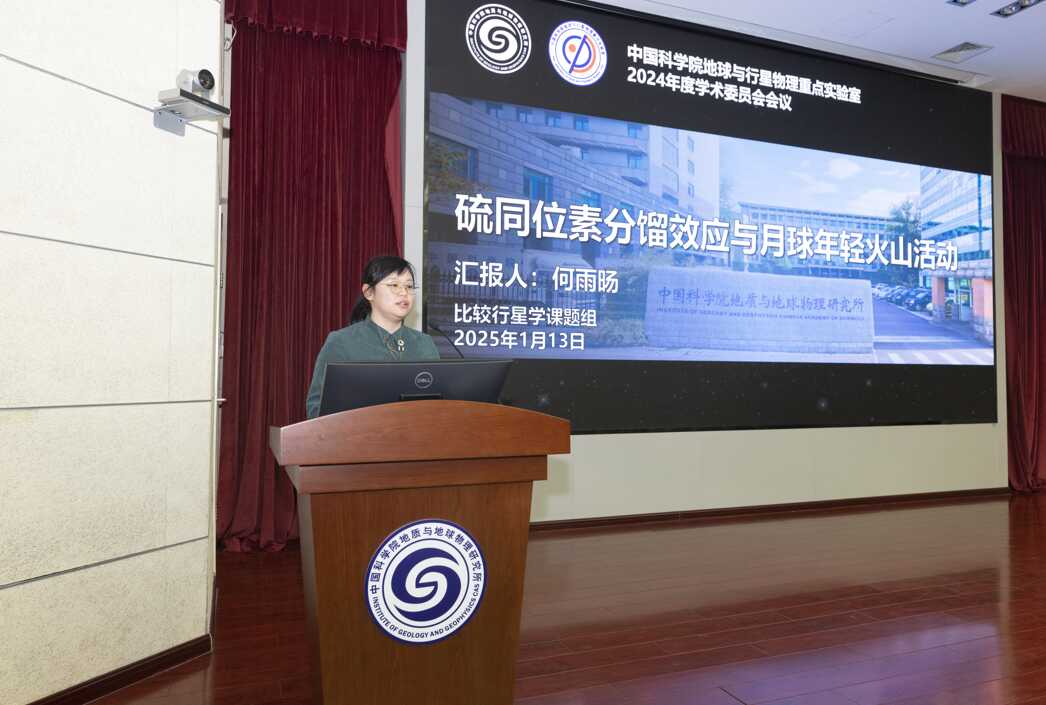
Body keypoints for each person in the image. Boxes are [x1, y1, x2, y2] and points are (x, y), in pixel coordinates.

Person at [305, 256, 439, 418]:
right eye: (394, 285)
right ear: (369, 292)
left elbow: (438, 404)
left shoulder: (424, 343)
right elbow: (317, 408)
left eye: (409, 286)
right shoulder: (341, 342)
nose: (404, 292)